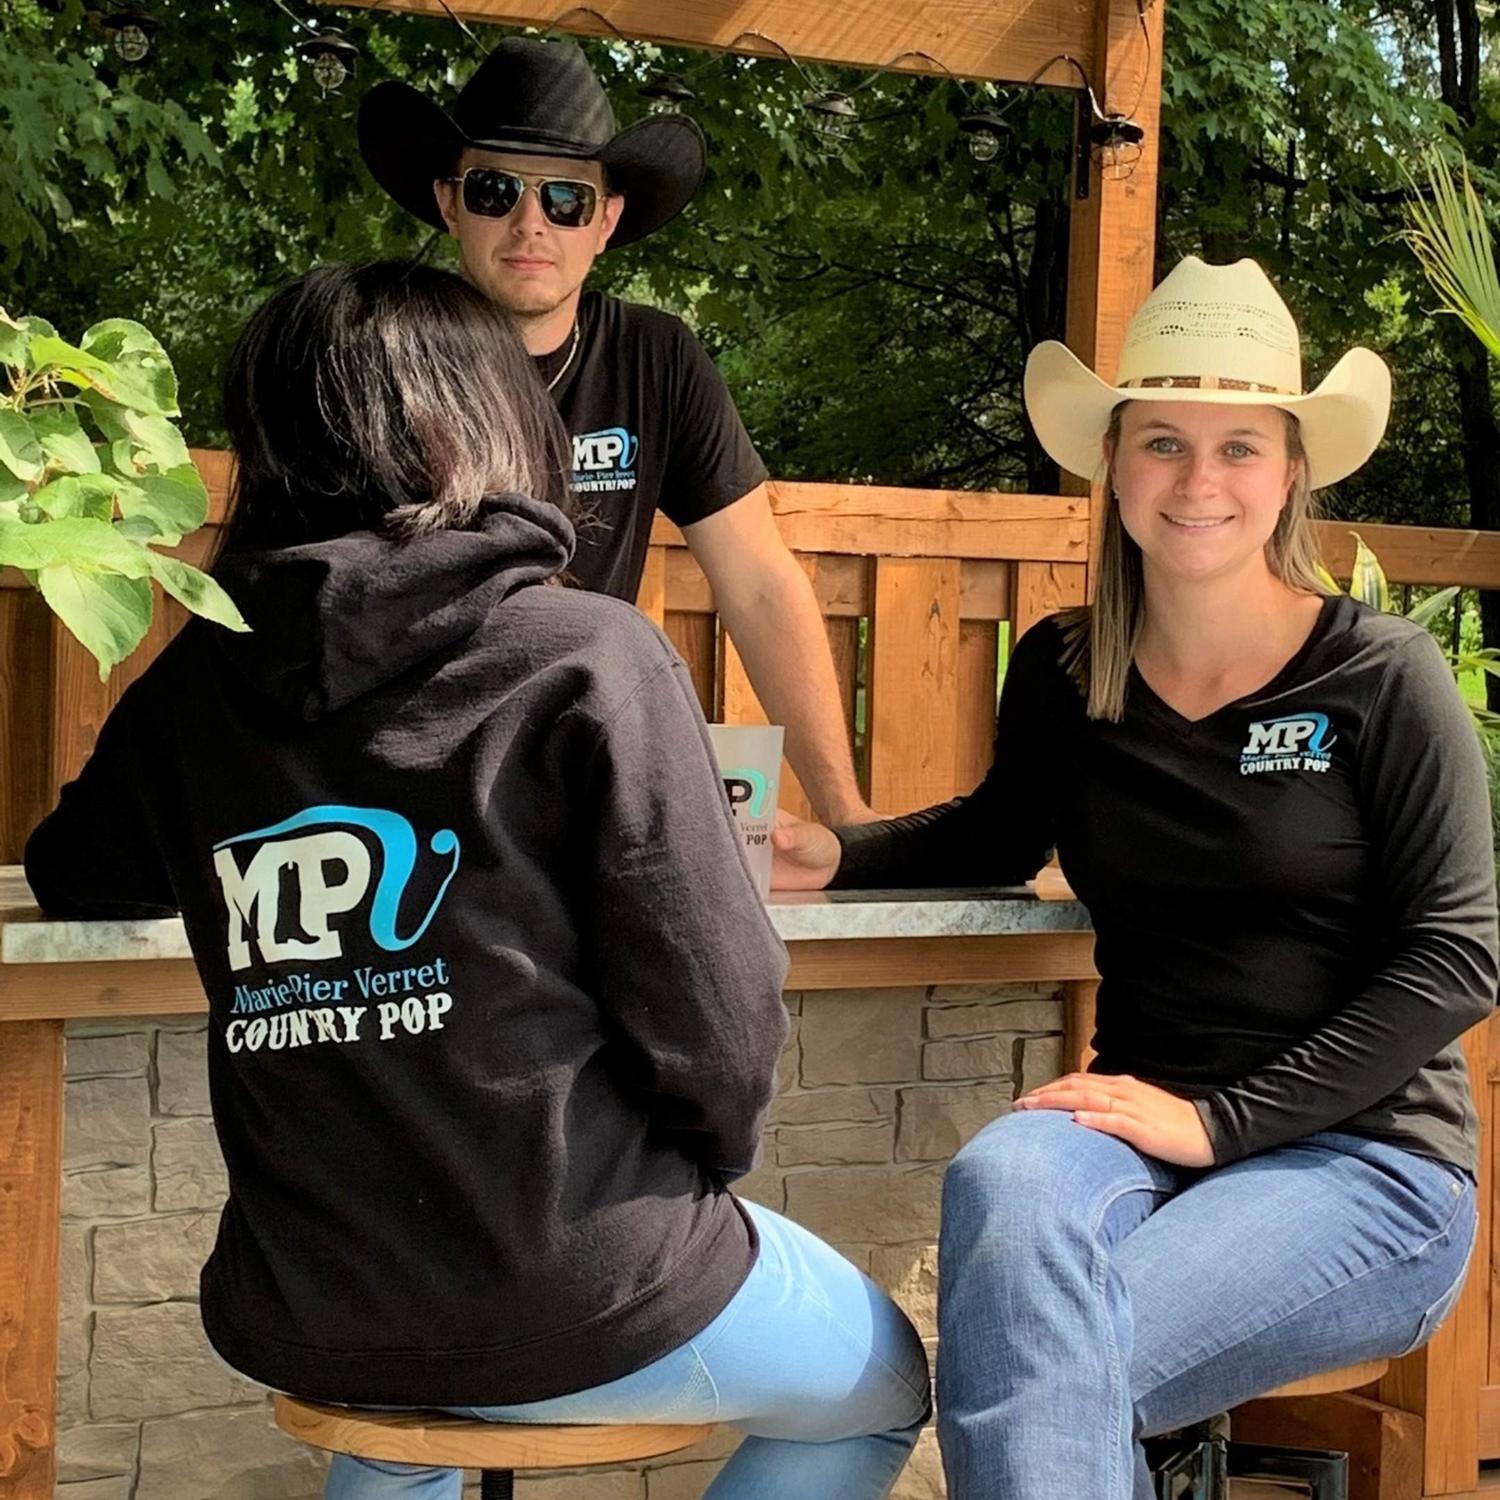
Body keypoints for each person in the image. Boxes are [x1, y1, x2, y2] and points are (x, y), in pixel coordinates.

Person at [23, 261, 929, 1500]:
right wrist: (704, 1169)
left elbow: (77, 871)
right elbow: (719, 1012)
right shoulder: (587, 655)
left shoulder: (201, 683)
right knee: (884, 1388)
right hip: (582, 1272)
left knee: (397, 1432)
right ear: (493, 416)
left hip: (313, 1299)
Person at [770, 256, 1497, 1499]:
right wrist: (838, 851)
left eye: (1238, 448)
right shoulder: (1067, 668)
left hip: (1365, 1160)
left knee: (1038, 1359)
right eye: (1163, 443)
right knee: (1002, 1173)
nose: (1198, 481)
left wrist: (1220, 1125)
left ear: (1290, 472)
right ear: (1112, 463)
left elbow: (1458, 958)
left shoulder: (1382, 676)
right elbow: (1000, 834)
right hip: (1137, 1127)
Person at [358, 37, 871, 825]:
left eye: (565, 198)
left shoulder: (656, 358)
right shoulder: (382, 356)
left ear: (605, 220)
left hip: (579, 762)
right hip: (409, 772)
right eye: (496, 190)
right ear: (449, 202)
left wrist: (846, 817)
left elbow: (759, 582)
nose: (530, 223)